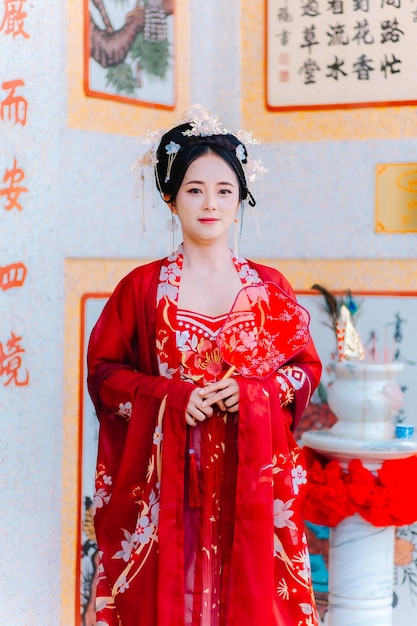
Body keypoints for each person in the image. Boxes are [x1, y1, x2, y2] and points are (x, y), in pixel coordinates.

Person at [87, 104, 322, 626]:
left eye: (224, 190)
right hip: (170, 477)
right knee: (174, 594)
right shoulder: (142, 290)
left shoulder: (269, 287)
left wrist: (257, 391)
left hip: (251, 472)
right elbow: (104, 374)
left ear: (241, 200)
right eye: (194, 189)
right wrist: (172, 396)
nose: (210, 203)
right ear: (170, 198)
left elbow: (304, 368)